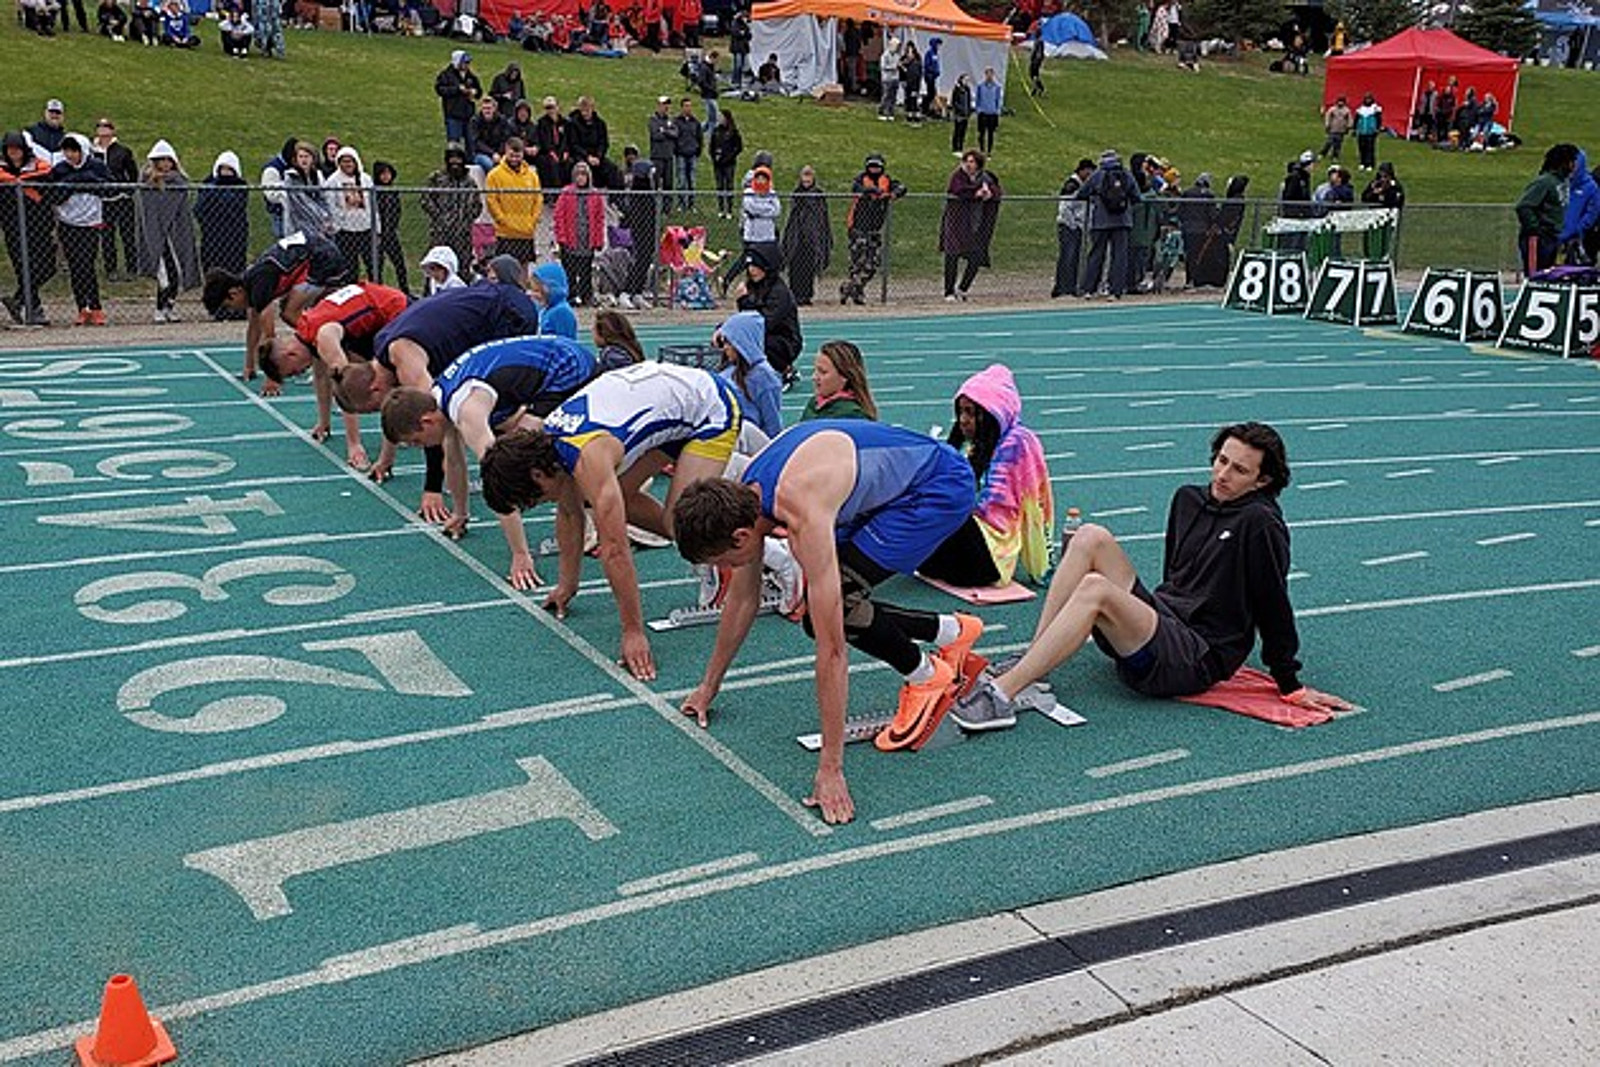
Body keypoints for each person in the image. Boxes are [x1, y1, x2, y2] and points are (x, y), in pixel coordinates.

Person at [671, 420, 988, 824]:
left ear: (740, 537)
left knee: (835, 612)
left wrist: (830, 769)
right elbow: (743, 599)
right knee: (827, 610)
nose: (724, 571)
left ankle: (927, 677)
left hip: (936, 488)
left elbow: (833, 651)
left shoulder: (802, 509)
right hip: (884, 488)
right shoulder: (747, 494)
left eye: (722, 562)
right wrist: (708, 686)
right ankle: (955, 632)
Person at [951, 422, 1352, 733]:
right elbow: (1177, 579)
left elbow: (1272, 602)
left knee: (1095, 589)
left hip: (1195, 658)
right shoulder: (1188, 499)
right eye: (1222, 460)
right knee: (1091, 536)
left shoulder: (1261, 523)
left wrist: (1289, 681)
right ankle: (1038, 662)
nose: (1223, 473)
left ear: (1262, 481)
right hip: (1163, 628)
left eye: (1239, 470)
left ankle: (1002, 695)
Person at [479, 361, 746, 679]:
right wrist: (567, 585)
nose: (541, 503)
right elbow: (568, 512)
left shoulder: (587, 456)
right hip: (676, 406)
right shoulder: (549, 445)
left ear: (537, 474)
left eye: (535, 498)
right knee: (644, 513)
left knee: (685, 528)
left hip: (711, 408)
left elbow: (615, 549)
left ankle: (772, 555)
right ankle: (715, 521)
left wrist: (633, 631)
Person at [381, 335, 597, 585]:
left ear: (426, 421)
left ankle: (593, 505)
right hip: (551, 361)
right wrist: (460, 513)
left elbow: (500, 480)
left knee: (525, 452)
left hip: (568, 367)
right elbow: (453, 461)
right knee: (518, 441)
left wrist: (520, 554)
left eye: (417, 441)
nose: (421, 448)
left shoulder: (466, 411)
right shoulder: (439, 396)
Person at [334, 269, 541, 522]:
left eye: (375, 408)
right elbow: (400, 417)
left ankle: (516, 473)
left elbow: (429, 415)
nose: (384, 409)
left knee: (491, 414)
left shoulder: (404, 357)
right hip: (490, 306)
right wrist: (385, 459)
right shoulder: (382, 348)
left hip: (507, 313)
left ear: (375, 389)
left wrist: (432, 487)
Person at [919, 364, 1052, 589]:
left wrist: (1039, 565)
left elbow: (1028, 507)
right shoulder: (968, 441)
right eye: (960, 411)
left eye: (971, 412)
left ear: (994, 413)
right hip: (964, 535)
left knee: (942, 512)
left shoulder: (1017, 443)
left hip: (990, 550)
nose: (963, 420)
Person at [264, 280, 409, 467]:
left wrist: (353, 445)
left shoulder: (323, 337)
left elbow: (346, 386)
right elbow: (321, 377)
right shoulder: (306, 328)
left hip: (394, 310)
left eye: (293, 372)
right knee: (358, 363)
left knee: (386, 379)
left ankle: (396, 438)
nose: (300, 372)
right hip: (374, 308)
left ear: (290, 354)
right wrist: (324, 422)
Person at [201, 230, 352, 380]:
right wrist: (249, 366)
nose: (232, 309)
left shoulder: (258, 284)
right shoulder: (250, 282)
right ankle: (322, 343)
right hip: (314, 253)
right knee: (291, 309)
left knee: (289, 313)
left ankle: (325, 347)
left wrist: (273, 378)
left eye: (229, 305)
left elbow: (269, 337)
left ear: (234, 293)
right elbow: (253, 328)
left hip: (322, 259)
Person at [49, 133, 111, 327]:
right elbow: (53, 195)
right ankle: (81, 308)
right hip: (68, 223)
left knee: (87, 264)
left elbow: (110, 188)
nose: (70, 155)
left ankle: (96, 307)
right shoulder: (60, 169)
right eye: (67, 151)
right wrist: (71, 185)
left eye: (74, 150)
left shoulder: (96, 167)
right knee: (75, 267)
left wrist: (87, 181)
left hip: (90, 223)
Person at [137, 139, 200, 325]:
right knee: (163, 274)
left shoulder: (178, 183)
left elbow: (181, 211)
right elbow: (149, 210)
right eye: (161, 160)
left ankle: (169, 306)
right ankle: (159, 307)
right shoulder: (148, 183)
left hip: (175, 233)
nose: (165, 164)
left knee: (177, 272)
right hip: (157, 234)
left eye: (168, 160)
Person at [0, 130, 58, 327]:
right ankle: (34, 309)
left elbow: (51, 192)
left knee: (47, 266)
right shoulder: (2, 173)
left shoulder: (40, 168)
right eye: (10, 149)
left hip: (39, 226)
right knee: (22, 267)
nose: (14, 153)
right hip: (13, 228)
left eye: (17, 149)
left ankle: (18, 299)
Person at [840, 153, 904, 306]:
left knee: (872, 264)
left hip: (875, 229)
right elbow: (856, 188)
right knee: (858, 262)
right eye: (871, 166)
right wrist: (872, 192)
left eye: (877, 167)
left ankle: (849, 288)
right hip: (858, 227)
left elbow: (901, 187)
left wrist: (892, 194)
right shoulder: (860, 179)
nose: (874, 169)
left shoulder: (887, 180)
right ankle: (857, 293)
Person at [735, 245, 802, 385]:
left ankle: (783, 371)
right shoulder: (754, 285)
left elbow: (763, 323)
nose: (751, 270)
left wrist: (744, 301)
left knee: (757, 341)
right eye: (749, 266)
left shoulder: (779, 292)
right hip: (767, 335)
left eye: (756, 265)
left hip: (784, 342)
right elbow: (747, 318)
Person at [940, 149, 1001, 302]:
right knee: (951, 255)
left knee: (976, 257)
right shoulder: (958, 176)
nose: (968, 164)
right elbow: (957, 190)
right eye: (966, 161)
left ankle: (963, 288)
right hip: (956, 222)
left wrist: (988, 194)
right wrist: (975, 193)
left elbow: (997, 191)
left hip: (976, 223)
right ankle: (949, 291)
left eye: (972, 161)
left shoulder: (986, 177)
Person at [1078, 148, 1138, 299]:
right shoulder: (1126, 174)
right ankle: (1115, 290)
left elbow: (1081, 193)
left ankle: (1089, 289)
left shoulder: (1098, 175)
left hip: (1100, 221)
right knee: (1119, 256)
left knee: (1096, 254)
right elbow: (1137, 196)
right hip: (1122, 221)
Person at [712, 310, 782, 438]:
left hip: (746, 440)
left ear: (743, 342)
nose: (725, 348)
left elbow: (773, 424)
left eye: (729, 342)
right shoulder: (729, 369)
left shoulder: (764, 377)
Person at [1516, 143, 1580, 276]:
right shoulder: (1545, 182)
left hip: (1554, 236)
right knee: (1535, 275)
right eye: (1572, 162)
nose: (1574, 166)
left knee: (1550, 274)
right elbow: (1524, 206)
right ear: (1563, 163)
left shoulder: (1564, 182)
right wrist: (1534, 228)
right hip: (1539, 237)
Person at [91, 118, 139, 283]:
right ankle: (110, 269)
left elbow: (133, 174)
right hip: (103, 201)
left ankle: (132, 268)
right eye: (100, 126)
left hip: (122, 200)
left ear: (113, 130)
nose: (104, 130)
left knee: (127, 235)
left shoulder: (123, 151)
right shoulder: (91, 152)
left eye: (107, 127)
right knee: (107, 236)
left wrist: (127, 191)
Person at [553, 160, 606, 307]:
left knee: (585, 272)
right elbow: (559, 216)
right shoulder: (566, 193)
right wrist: (561, 237)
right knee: (569, 272)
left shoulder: (595, 195)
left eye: (583, 175)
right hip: (570, 239)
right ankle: (570, 296)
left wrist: (598, 240)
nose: (581, 178)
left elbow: (599, 219)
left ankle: (586, 296)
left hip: (586, 239)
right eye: (578, 175)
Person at [422, 143, 480, 275]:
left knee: (462, 267)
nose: (455, 162)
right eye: (451, 158)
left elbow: (477, 205)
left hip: (463, 234)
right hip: (441, 232)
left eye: (458, 158)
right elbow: (425, 199)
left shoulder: (469, 182)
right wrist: (439, 217)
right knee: (436, 266)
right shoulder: (437, 178)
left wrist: (466, 219)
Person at [194, 151, 250, 287]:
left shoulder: (240, 186)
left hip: (234, 238)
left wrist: (217, 194)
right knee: (212, 272)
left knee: (234, 274)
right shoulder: (208, 184)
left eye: (229, 169)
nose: (225, 172)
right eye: (223, 168)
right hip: (212, 237)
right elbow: (199, 209)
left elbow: (234, 205)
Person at [485, 137, 542, 265]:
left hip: (526, 231)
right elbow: (491, 200)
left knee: (523, 269)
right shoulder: (494, 175)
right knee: (504, 269)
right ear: (505, 152)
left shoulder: (531, 175)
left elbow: (538, 199)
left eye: (518, 156)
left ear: (523, 154)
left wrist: (533, 220)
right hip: (505, 232)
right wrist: (501, 219)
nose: (515, 159)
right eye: (511, 155)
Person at [323, 146, 376, 281]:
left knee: (373, 264)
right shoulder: (333, 181)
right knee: (350, 267)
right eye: (344, 161)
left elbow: (372, 204)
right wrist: (337, 225)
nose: (347, 164)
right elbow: (330, 205)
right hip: (346, 230)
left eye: (350, 161)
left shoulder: (365, 179)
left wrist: (376, 226)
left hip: (365, 228)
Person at [781, 165, 831, 307]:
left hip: (812, 235)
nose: (807, 179)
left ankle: (806, 295)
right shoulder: (797, 193)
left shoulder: (818, 194)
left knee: (809, 267)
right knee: (795, 266)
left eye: (809, 176)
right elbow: (792, 214)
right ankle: (795, 294)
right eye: (804, 176)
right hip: (798, 235)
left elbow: (822, 215)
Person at [800, 339, 877, 421]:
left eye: (823, 372)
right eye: (815, 370)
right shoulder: (813, 404)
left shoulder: (852, 415)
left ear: (845, 376)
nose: (814, 377)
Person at [1051, 157, 1093, 299]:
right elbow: (1065, 207)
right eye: (1088, 171)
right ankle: (1062, 287)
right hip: (1069, 226)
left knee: (1075, 257)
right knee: (1067, 256)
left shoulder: (1083, 185)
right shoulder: (1072, 185)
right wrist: (1073, 224)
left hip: (1078, 226)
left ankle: (1071, 285)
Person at [436, 50, 482, 145]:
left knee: (471, 142)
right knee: (454, 144)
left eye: (468, 63)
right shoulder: (445, 75)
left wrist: (475, 92)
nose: (467, 65)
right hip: (453, 114)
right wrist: (457, 89)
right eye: (464, 63)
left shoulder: (471, 76)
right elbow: (440, 90)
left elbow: (479, 92)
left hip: (469, 114)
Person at [709, 109, 743, 220]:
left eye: (721, 117)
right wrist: (714, 157)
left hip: (729, 163)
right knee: (719, 186)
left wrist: (729, 157)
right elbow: (711, 146)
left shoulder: (733, 131)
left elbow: (739, 147)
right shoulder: (716, 131)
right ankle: (720, 209)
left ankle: (729, 209)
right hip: (718, 164)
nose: (719, 119)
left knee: (728, 186)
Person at [647, 96, 678, 211]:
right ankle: (653, 207)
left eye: (667, 105)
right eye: (664, 104)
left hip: (669, 156)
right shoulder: (653, 120)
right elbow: (655, 135)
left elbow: (675, 134)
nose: (666, 107)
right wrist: (667, 132)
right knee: (655, 182)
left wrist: (664, 131)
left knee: (668, 183)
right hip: (657, 156)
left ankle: (667, 208)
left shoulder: (671, 120)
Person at [673, 98, 704, 213]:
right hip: (681, 154)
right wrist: (677, 150)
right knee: (681, 181)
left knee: (692, 181)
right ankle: (681, 204)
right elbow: (674, 137)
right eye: (686, 106)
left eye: (690, 106)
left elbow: (700, 138)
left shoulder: (695, 122)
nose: (688, 108)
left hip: (692, 154)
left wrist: (698, 150)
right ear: (682, 107)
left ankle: (691, 204)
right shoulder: (677, 121)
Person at [532, 261, 577, 338]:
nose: (535, 294)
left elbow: (565, 344)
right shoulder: (545, 309)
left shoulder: (562, 312)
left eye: (538, 291)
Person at [467, 97, 512, 175]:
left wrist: (499, 153)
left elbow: (505, 139)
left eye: (489, 108)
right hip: (481, 153)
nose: (487, 111)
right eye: (484, 108)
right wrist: (492, 154)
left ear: (494, 108)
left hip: (500, 152)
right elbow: (476, 142)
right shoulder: (475, 121)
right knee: (490, 165)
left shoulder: (502, 120)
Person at [974, 67, 1002, 155]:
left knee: (991, 133)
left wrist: (997, 110)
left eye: (991, 74)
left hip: (992, 113)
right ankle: (982, 149)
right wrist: (978, 109)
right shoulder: (980, 86)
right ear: (985, 75)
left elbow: (998, 99)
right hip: (983, 112)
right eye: (987, 74)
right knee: (981, 132)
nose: (989, 76)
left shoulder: (997, 87)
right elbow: (977, 98)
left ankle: (989, 151)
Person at [1353, 92, 1382, 172]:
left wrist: (1377, 129)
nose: (1368, 100)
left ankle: (1370, 164)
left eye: (1369, 99)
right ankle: (1362, 163)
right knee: (1361, 148)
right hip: (1362, 131)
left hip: (1371, 132)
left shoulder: (1375, 109)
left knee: (1370, 148)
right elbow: (1356, 120)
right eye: (1366, 99)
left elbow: (1379, 120)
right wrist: (1355, 129)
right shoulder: (1360, 109)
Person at [1320, 95, 1352, 162]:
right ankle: (1322, 153)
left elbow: (1349, 119)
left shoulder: (1346, 111)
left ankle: (1335, 156)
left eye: (1342, 102)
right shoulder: (1333, 109)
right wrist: (1327, 125)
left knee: (1338, 144)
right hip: (1332, 129)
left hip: (1341, 130)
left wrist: (1348, 127)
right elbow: (1328, 117)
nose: (1340, 103)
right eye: (1339, 101)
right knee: (1329, 142)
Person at [878, 33, 902, 121]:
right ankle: (882, 112)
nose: (897, 48)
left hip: (895, 78)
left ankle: (891, 112)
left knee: (893, 97)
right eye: (896, 45)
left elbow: (898, 65)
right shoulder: (885, 55)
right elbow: (883, 67)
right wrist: (893, 67)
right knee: (886, 96)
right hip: (887, 79)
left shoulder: (897, 55)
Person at [948, 73, 973, 157]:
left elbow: (968, 100)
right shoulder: (957, 89)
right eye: (965, 80)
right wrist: (958, 109)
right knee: (957, 131)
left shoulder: (967, 89)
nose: (966, 82)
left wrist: (969, 110)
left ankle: (961, 147)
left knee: (963, 131)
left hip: (966, 114)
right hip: (959, 114)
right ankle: (955, 148)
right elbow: (954, 101)